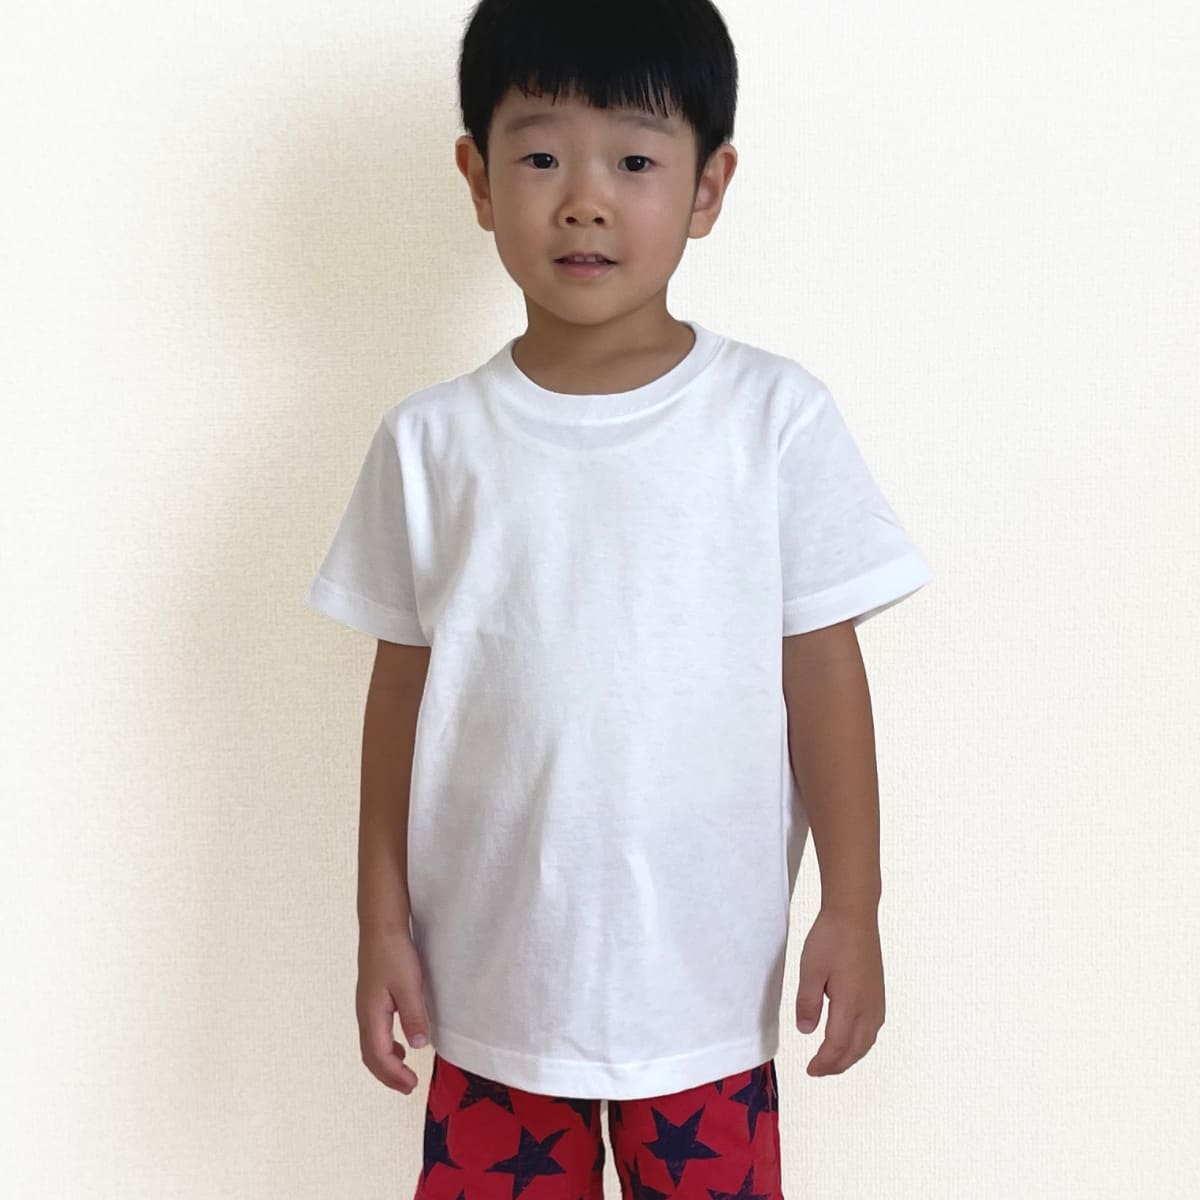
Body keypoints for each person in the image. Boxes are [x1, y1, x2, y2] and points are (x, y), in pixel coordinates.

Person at [305, 1, 933, 1195]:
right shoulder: (431, 444)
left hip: (701, 999)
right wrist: (379, 923)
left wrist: (852, 906)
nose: (584, 199)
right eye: (542, 155)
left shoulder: (773, 422)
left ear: (708, 187)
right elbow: (402, 701)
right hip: (491, 995)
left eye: (635, 162)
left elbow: (822, 676)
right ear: (478, 178)